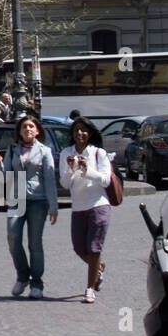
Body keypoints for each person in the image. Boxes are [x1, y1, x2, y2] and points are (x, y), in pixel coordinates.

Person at [0, 113, 58, 299]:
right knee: (13, 238)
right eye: (24, 127)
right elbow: (4, 177)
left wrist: (53, 207)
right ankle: (23, 276)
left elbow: (49, 179)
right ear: (20, 132)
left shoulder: (44, 151)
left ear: (37, 131)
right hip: (16, 199)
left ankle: (37, 282)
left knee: (35, 243)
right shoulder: (13, 150)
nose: (27, 129)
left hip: (38, 201)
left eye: (31, 126)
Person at [59, 117, 112, 304]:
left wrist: (87, 169)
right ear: (72, 134)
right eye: (76, 130)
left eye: (83, 130)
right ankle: (99, 268)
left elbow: (105, 180)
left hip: (98, 205)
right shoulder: (66, 153)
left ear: (89, 133)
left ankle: (90, 289)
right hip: (78, 207)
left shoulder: (99, 153)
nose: (80, 134)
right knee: (79, 248)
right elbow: (65, 183)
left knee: (94, 247)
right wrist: (71, 168)